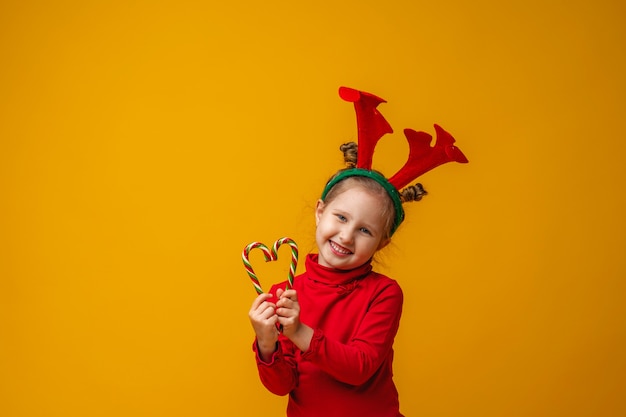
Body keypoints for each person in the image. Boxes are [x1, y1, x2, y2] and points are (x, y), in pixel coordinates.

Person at [248, 87, 467, 417]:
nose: (347, 236)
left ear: (382, 242)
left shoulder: (383, 294)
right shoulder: (286, 295)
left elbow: (360, 367)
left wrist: (298, 331)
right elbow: (282, 386)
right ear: (320, 212)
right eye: (341, 217)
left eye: (365, 230)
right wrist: (267, 343)